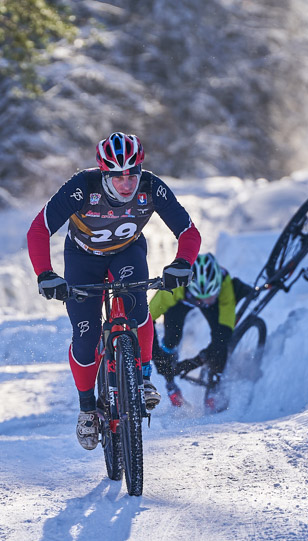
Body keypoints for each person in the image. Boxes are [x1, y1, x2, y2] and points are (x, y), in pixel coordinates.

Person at [27, 131, 201, 449]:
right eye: (117, 176)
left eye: (131, 174)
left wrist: (183, 263)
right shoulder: (81, 187)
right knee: (86, 336)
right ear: (104, 173)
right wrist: (45, 274)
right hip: (82, 258)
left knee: (137, 310)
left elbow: (189, 232)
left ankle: (144, 377)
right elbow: (39, 229)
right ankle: (86, 409)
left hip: (127, 252)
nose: (126, 183)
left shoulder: (152, 187)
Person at [150, 252, 252, 410]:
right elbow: (147, 319)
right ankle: (170, 384)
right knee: (171, 339)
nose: (206, 301)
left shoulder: (225, 285)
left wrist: (198, 360)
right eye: (201, 298)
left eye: (210, 296)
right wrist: (158, 356)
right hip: (181, 301)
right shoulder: (173, 287)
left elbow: (223, 335)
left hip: (214, 302)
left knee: (220, 341)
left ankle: (214, 384)